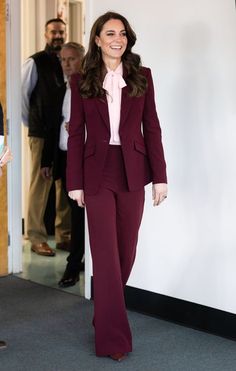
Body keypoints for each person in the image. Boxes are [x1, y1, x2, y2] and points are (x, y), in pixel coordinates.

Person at [67, 11, 168, 361]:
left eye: (122, 33)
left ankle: (104, 313)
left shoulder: (142, 76)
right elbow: (75, 133)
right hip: (95, 174)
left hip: (132, 170)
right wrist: (74, 183)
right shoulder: (81, 79)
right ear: (97, 39)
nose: (117, 38)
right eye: (110, 33)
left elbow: (151, 128)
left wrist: (160, 176)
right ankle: (113, 339)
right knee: (107, 258)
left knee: (125, 252)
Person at [21, 18, 71, 257]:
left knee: (65, 182)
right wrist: (31, 124)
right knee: (40, 185)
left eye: (61, 32)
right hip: (40, 133)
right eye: (53, 32)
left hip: (62, 134)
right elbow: (22, 96)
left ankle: (64, 236)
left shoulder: (68, 60)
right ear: (45, 34)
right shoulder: (34, 62)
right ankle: (36, 237)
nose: (58, 36)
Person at [41, 42, 85, 287]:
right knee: (74, 213)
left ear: (83, 60)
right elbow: (51, 128)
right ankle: (78, 261)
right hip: (64, 158)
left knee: (80, 215)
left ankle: (74, 265)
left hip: (84, 161)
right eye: (63, 60)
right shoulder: (60, 90)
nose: (67, 64)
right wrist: (46, 161)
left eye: (72, 59)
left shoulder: (90, 88)